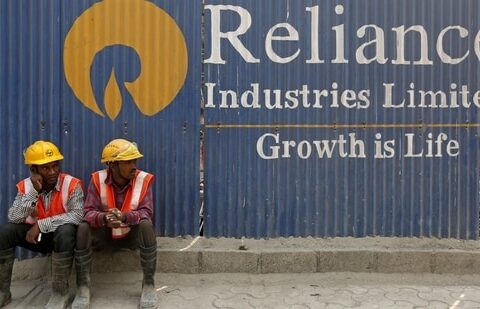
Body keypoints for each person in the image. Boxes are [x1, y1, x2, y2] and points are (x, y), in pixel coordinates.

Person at [72, 139, 157, 309]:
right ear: (112, 165)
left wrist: (125, 217)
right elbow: (87, 212)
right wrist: (104, 218)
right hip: (105, 236)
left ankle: (149, 285)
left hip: (131, 235)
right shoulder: (98, 180)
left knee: (146, 225)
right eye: (127, 162)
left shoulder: (142, 179)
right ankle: (82, 288)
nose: (134, 166)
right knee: (82, 228)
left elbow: (146, 212)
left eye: (135, 161)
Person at [0, 141, 84, 308]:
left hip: (62, 240)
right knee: (6, 231)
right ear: (33, 170)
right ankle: (3, 292)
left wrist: (41, 225)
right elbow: (14, 217)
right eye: (46, 168)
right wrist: (33, 192)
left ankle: (60, 294)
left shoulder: (72, 184)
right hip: (36, 239)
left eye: (55, 166)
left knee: (66, 230)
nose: (53, 172)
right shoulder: (26, 186)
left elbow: (77, 215)